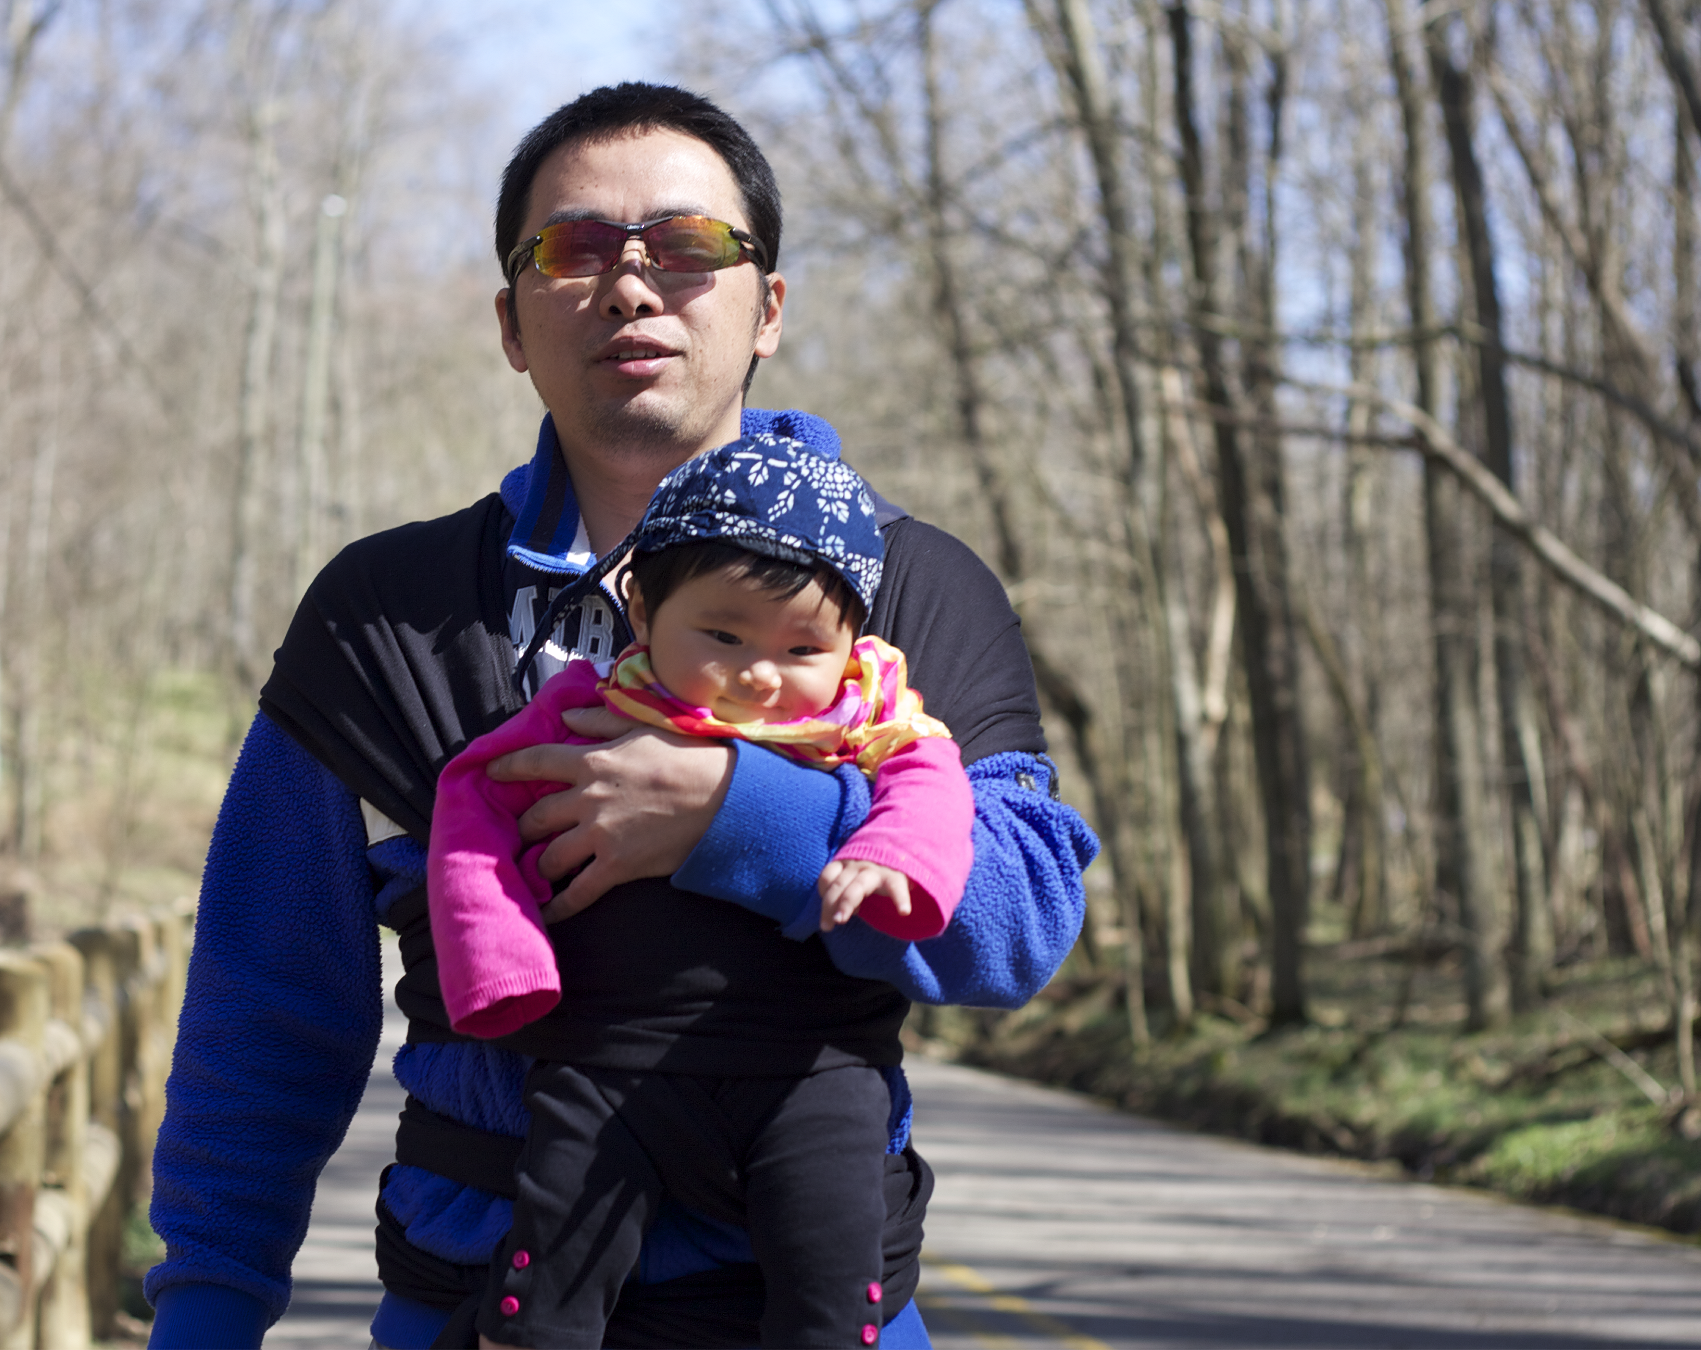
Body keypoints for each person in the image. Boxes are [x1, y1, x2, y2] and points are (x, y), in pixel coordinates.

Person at [144, 82, 1098, 1350]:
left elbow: (1022, 921)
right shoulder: (394, 615)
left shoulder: (911, 585)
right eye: (576, 249)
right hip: (478, 1308)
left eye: (690, 248)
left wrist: (738, 818)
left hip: (817, 1305)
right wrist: (204, 1316)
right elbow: (266, 1009)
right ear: (512, 322)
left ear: (768, 309)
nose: (633, 285)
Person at [430, 438, 975, 1348]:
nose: (761, 673)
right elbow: (473, 799)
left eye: (803, 646)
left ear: (853, 643)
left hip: (814, 1065)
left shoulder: (868, 721)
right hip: (609, 1053)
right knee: (552, 1264)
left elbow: (934, 787)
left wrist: (892, 859)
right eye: (722, 636)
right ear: (640, 606)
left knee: (833, 1273)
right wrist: (500, 961)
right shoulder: (592, 707)